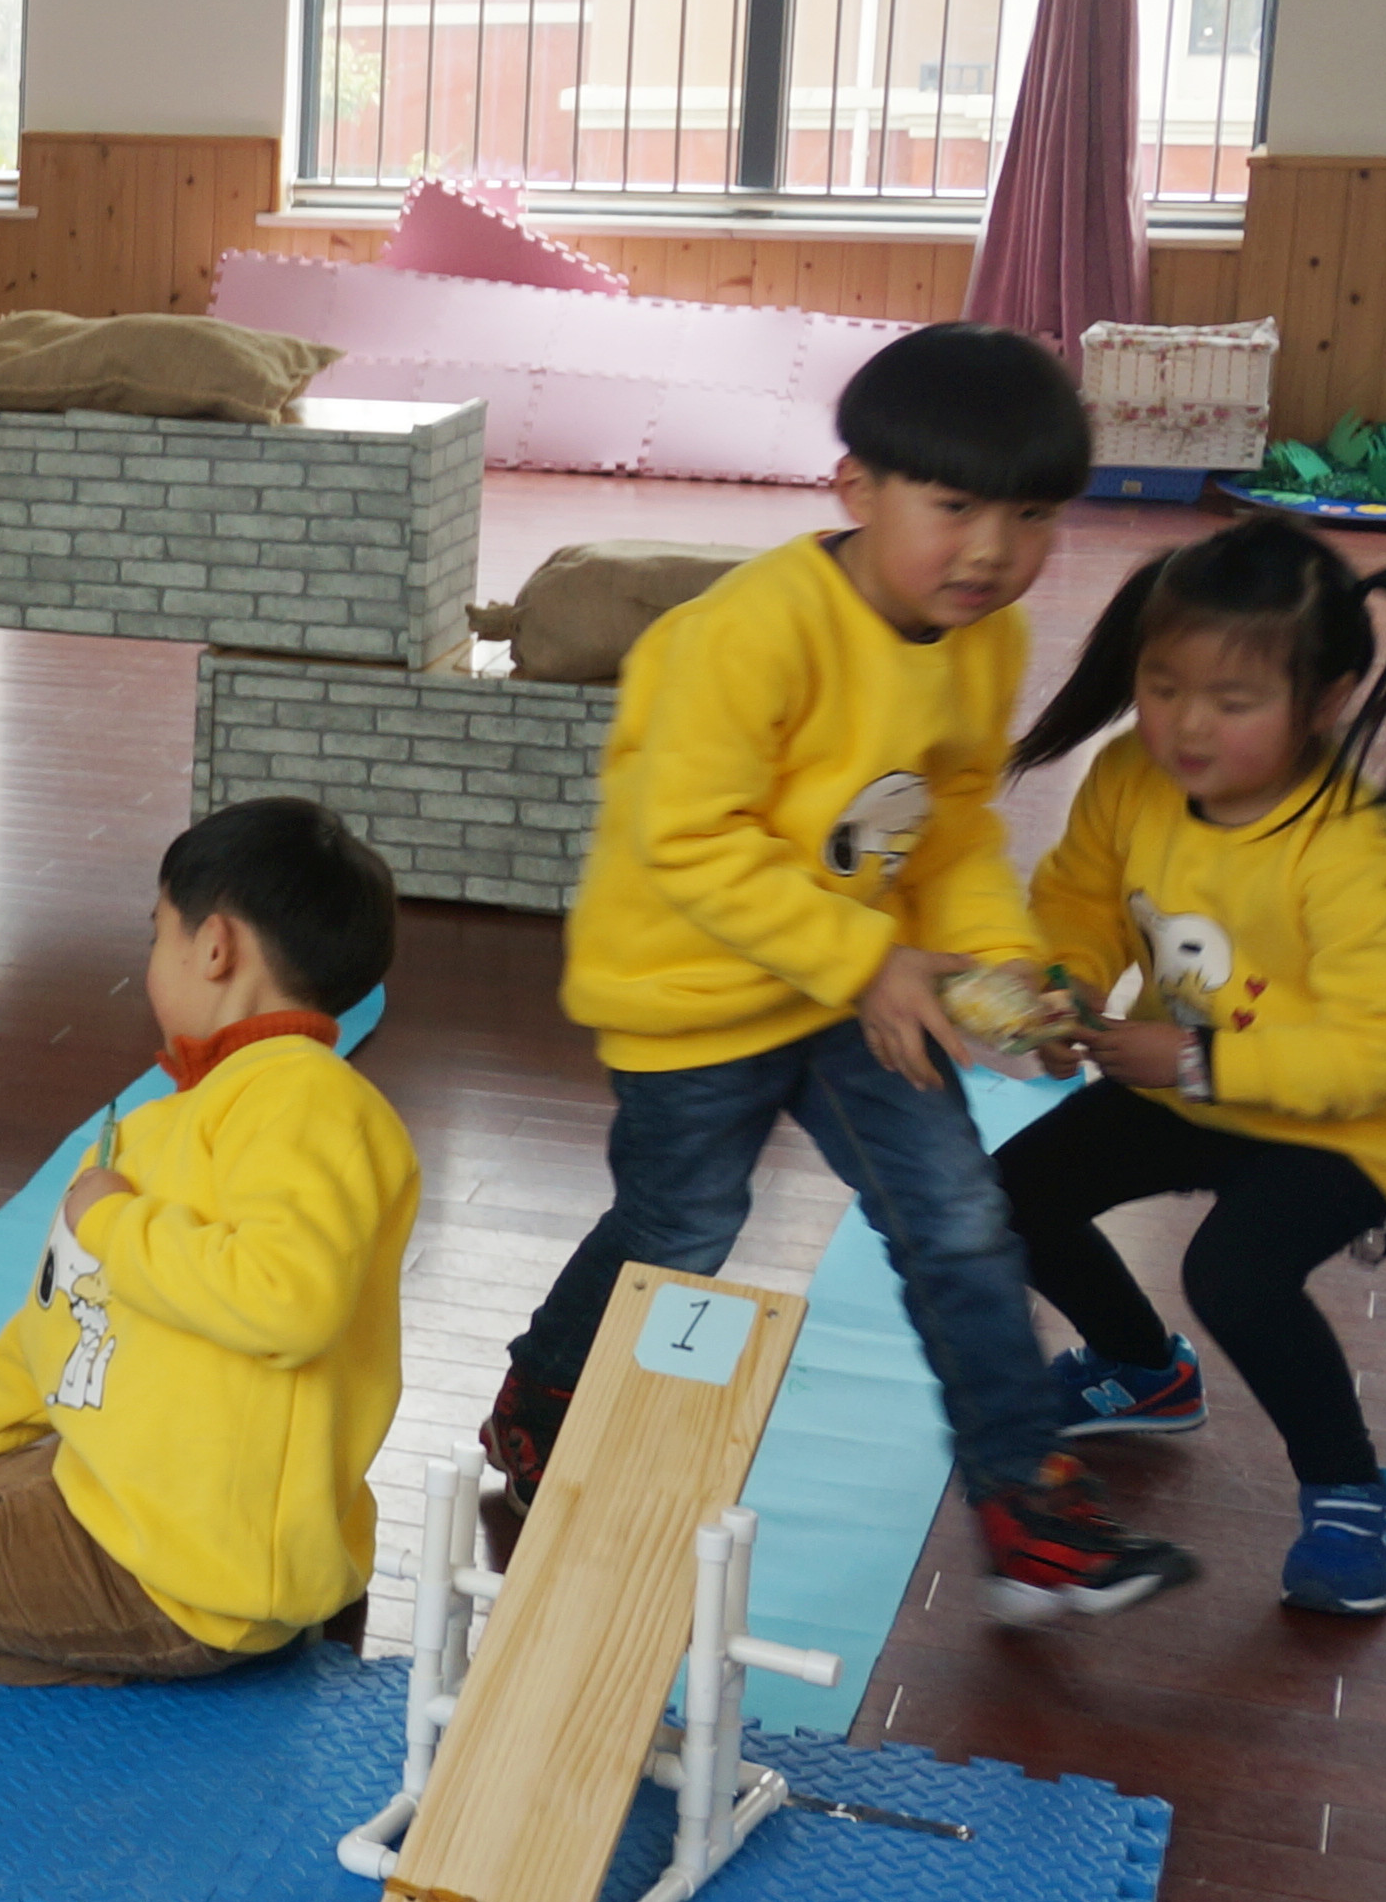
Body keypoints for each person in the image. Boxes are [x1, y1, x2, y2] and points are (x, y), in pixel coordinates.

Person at [478, 324, 1195, 1624]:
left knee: (961, 1218)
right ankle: (547, 1387)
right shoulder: (742, 637)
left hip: (868, 989)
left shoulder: (983, 640)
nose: (992, 550)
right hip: (695, 996)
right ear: (856, 487)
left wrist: (1001, 968)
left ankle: (1024, 1498)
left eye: (1032, 516)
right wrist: (872, 958)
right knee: (681, 1230)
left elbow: (952, 824)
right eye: (955, 507)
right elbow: (688, 842)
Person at [998, 516, 1386, 1616]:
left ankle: (1354, 1491)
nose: (1185, 725)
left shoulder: (1362, 850)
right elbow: (1076, 896)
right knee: (1004, 1197)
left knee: (1234, 1275)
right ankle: (1141, 1368)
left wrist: (1195, 1058)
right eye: (1163, 688)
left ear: (1327, 698)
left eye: (1232, 700)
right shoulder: (1128, 773)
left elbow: (1384, 1050)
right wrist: (1065, 984)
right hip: (1185, 1080)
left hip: (1349, 1121)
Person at [0, 800, 417, 1682]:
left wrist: (113, 1222)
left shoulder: (308, 1101)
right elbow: (51, 1330)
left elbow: (288, 1300)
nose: (152, 960)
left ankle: (174, 1657)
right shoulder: (173, 1121)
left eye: (158, 935)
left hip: (202, 1574)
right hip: (152, 1505)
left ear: (214, 947)